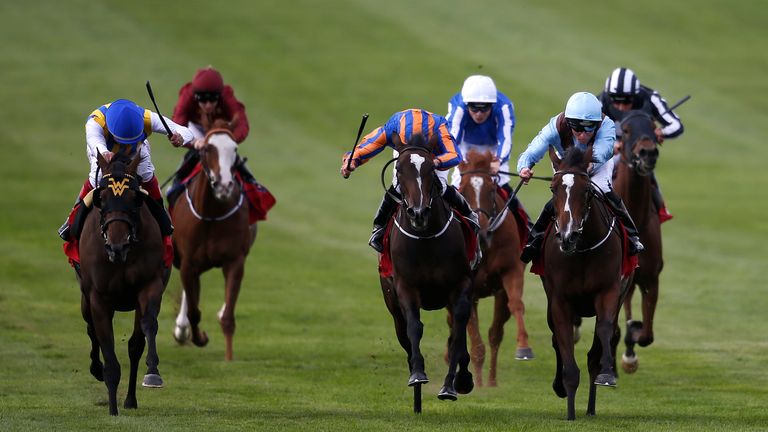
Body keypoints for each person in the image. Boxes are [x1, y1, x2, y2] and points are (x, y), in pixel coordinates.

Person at [517, 92, 644, 263]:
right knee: (561, 196)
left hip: (596, 164)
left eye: (589, 127)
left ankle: (632, 235)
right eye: (577, 128)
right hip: (566, 165)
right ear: (569, 123)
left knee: (605, 190)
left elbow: (604, 151)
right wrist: (524, 167)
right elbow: (533, 150)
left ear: (597, 123)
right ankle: (535, 240)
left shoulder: (606, 124)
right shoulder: (555, 126)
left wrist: (584, 167)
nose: (583, 134)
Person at [340, 109, 480, 253]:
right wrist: (353, 160)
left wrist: (436, 162)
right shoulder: (393, 127)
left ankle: (469, 214)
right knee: (398, 187)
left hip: (433, 156)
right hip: (405, 156)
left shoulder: (438, 127)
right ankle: (378, 227)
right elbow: (370, 144)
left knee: (441, 186)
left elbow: (454, 155)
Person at [58, 98, 194, 246]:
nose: (126, 145)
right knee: (96, 180)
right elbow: (94, 141)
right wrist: (104, 152)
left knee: (147, 175)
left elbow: (186, 131)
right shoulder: (95, 122)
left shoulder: (146, 117)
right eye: (123, 141)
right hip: (104, 151)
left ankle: (162, 215)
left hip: (136, 152)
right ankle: (72, 219)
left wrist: (181, 137)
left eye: (130, 141)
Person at [599, 67, 684, 222]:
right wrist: (611, 146)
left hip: (638, 151)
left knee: (647, 170)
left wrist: (662, 132)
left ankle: (660, 208)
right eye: (616, 101)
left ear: (635, 95)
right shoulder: (601, 101)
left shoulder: (650, 98)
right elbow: (589, 133)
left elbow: (677, 125)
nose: (620, 107)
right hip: (612, 150)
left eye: (626, 101)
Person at [446, 75, 530, 229]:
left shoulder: (504, 106)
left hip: (493, 150)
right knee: (459, 184)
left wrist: (498, 160)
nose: (479, 113)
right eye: (474, 108)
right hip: (465, 148)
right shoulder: (458, 106)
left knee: (502, 184)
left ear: (493, 104)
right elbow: (452, 138)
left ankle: (528, 229)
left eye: (484, 108)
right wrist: (458, 161)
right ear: (466, 104)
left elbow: (505, 139)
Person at [167, 66, 255, 204]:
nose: (208, 105)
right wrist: (194, 143)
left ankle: (252, 185)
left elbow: (242, 124)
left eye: (213, 99)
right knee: (189, 161)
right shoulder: (187, 95)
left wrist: (229, 140)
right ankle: (175, 188)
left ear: (219, 96)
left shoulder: (227, 96)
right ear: (195, 96)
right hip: (196, 130)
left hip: (221, 131)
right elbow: (177, 126)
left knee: (232, 157)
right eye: (202, 100)